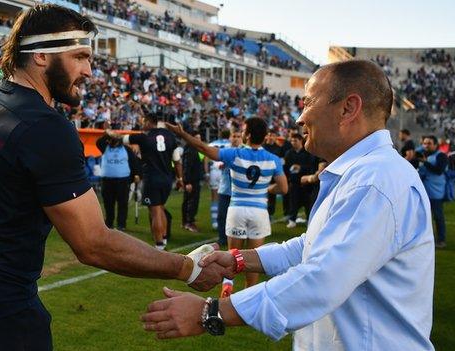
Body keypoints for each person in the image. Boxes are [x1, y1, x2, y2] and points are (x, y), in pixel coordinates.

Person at [0, 5, 230, 351]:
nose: (89, 71)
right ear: (40, 54)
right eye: (80, 56)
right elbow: (93, 244)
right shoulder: (45, 125)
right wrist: (186, 268)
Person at [142, 60, 435, 351]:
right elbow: (312, 246)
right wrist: (239, 260)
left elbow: (323, 279)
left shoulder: (375, 180)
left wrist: (209, 313)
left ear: (348, 108)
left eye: (308, 102)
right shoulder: (365, 173)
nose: (299, 118)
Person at [165, 117, 288, 297]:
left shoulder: (235, 154)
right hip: (259, 212)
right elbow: (283, 188)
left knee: (232, 255)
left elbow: (203, 148)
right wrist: (267, 188)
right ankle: (248, 297)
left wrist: (182, 134)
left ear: (248, 134)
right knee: (255, 257)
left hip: (237, 209)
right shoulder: (273, 159)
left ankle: (228, 286)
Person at [106, 104, 182, 250]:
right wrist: (180, 179)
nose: (142, 124)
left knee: (155, 211)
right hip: (167, 178)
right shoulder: (170, 136)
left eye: (143, 121)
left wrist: (108, 131)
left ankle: (159, 244)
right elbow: (177, 160)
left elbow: (119, 138)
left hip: (152, 178)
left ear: (148, 122)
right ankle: (164, 239)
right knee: (161, 208)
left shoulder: (143, 136)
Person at [96, 133, 140, 231]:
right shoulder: (105, 147)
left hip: (123, 181)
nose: (112, 142)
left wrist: (137, 174)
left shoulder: (126, 149)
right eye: (111, 140)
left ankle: (121, 224)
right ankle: (109, 223)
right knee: (108, 203)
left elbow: (134, 161)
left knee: (122, 203)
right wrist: (107, 134)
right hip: (107, 181)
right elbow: (99, 142)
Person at [418, 135, 449, 249]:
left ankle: (441, 240)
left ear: (436, 145)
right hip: (423, 191)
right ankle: (422, 239)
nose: (426, 145)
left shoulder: (441, 156)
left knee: (438, 216)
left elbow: (439, 171)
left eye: (429, 143)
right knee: (421, 216)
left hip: (436, 192)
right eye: (424, 143)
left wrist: (425, 163)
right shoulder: (422, 154)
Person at [215, 128, 243, 246]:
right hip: (225, 189)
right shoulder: (225, 151)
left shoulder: (245, 152)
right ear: (230, 138)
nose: (235, 139)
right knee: (222, 215)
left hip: (240, 191)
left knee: (239, 218)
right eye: (234, 136)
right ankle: (222, 238)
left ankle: (240, 238)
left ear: (241, 138)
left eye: (238, 136)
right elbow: (218, 164)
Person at [283, 133, 317, 228]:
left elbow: (311, 167)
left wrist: (300, 168)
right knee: (293, 202)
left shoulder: (308, 153)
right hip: (294, 182)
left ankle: (309, 220)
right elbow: (285, 168)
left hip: (306, 183)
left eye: (295, 140)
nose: (293, 142)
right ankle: (292, 220)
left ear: (300, 141)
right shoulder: (288, 153)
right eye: (292, 141)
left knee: (308, 203)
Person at [206, 130, 231, 230]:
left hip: (214, 171)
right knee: (227, 197)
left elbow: (206, 159)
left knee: (214, 197)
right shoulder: (230, 144)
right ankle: (226, 222)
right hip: (225, 171)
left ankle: (215, 222)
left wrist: (207, 172)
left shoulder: (212, 144)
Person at [262, 128, 290, 219]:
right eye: (269, 135)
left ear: (275, 137)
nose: (270, 137)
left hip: (274, 175)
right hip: (262, 174)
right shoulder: (261, 147)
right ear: (266, 136)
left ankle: (270, 214)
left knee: (272, 196)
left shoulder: (279, 149)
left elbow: (282, 161)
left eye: (272, 135)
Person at [181, 130, 204, 232]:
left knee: (189, 201)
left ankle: (186, 221)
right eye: (197, 138)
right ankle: (189, 222)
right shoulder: (190, 150)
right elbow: (186, 167)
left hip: (193, 179)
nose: (199, 140)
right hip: (192, 181)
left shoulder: (193, 149)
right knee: (191, 201)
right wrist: (187, 182)